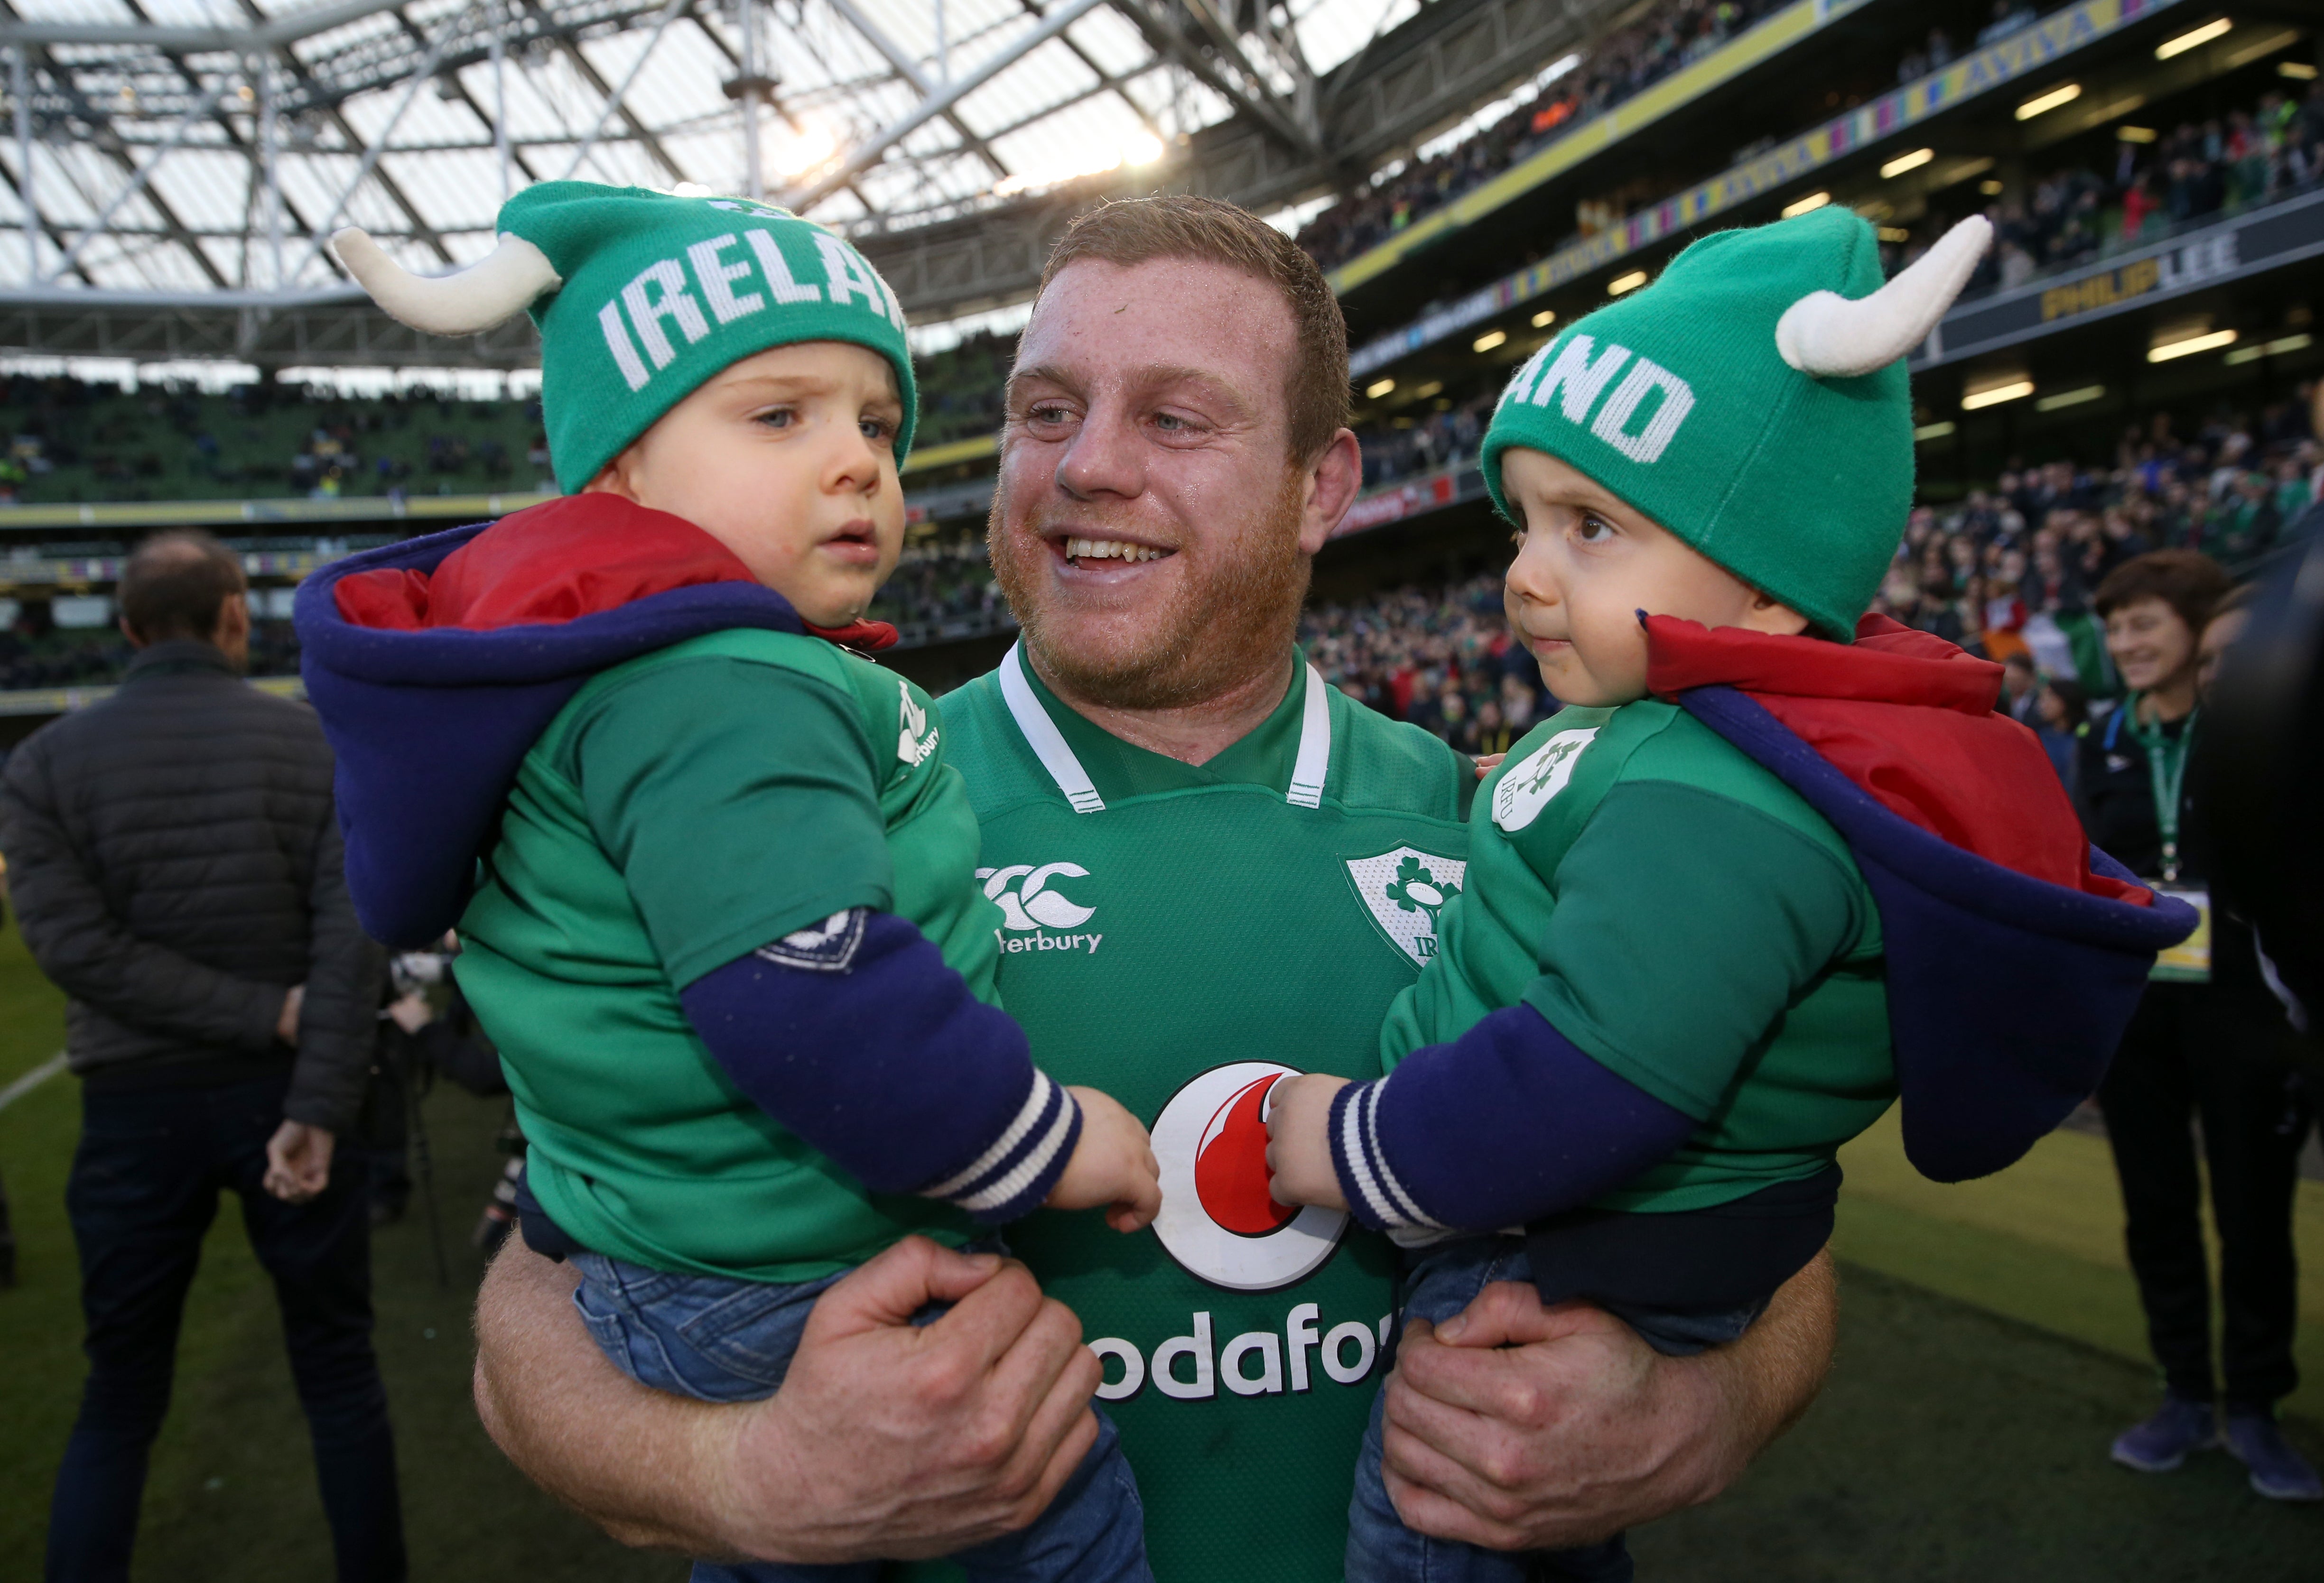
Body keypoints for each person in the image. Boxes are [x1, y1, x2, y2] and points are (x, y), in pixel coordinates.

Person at [462, 194, 1843, 1576]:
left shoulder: (1513, 823)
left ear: (1322, 485)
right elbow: (544, 1293)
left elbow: (1768, 1214)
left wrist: (1701, 1407)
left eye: (1176, 419)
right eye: (1046, 411)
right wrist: (746, 1473)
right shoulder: (791, 818)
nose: (1087, 469)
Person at [1264, 207, 2189, 1582]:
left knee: (1438, 1522)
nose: (1523, 572)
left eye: (1591, 526)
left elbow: (1594, 1078)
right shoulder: (1677, 737)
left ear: (1766, 590)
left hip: (1540, 1246)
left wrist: (1353, 1146)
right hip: (1553, 1224)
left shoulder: (1713, 798)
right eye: (1523, 520)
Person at [305, 185, 1162, 1582]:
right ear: (622, 477)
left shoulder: (637, 673)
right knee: (1061, 1521)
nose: (855, 465)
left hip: (669, 1259)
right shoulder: (721, 686)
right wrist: (1046, 1139)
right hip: (795, 1266)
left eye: (874, 425)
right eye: (779, 417)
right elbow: (807, 982)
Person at [0, 530, 401, 1582]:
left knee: (119, 1396)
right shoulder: (312, 742)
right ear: (237, 619)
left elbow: (74, 953)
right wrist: (308, 1084)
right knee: (339, 1375)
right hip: (289, 1097)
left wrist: (275, 1026)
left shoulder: (43, 762)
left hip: (136, 1115)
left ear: (128, 630)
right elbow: (352, 935)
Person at [2081, 553, 2322, 1500]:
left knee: (2255, 1216)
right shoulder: (2100, 739)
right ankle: (2183, 1392)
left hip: (2245, 1015)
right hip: (2138, 1017)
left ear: (2197, 628)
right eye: (2116, 628)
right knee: (2156, 1211)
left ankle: (2255, 1406)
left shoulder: (2258, 729)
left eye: (2146, 623)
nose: (2128, 643)